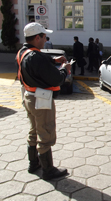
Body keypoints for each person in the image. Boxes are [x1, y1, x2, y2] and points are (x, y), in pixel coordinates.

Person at [16, 22, 71, 180]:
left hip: (28, 96)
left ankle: (33, 164)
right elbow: (55, 79)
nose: (46, 38)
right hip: (40, 98)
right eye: (44, 36)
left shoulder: (22, 52)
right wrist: (64, 69)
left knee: (34, 130)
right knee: (45, 132)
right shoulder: (35, 56)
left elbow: (37, 63)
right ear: (38, 37)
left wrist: (54, 60)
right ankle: (48, 170)